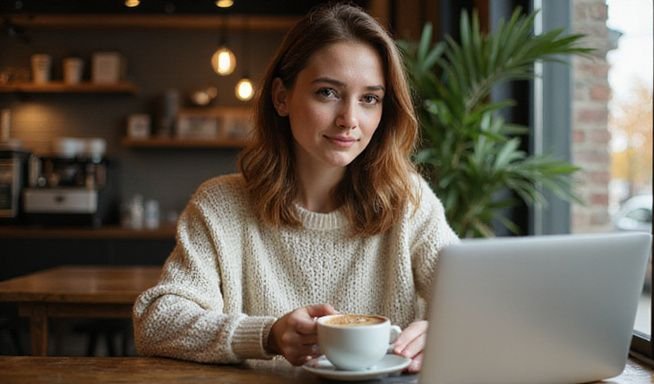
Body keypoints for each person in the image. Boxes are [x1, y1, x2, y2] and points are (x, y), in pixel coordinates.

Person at [132, 3, 459, 373]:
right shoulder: (222, 205)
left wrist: (446, 331)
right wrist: (267, 334)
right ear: (281, 97)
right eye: (327, 93)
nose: (349, 120)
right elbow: (156, 322)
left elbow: (478, 303)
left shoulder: (409, 203)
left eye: (369, 99)